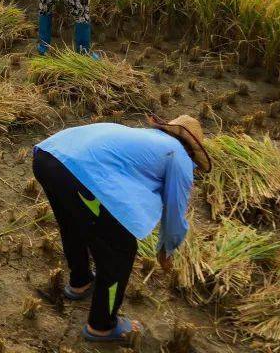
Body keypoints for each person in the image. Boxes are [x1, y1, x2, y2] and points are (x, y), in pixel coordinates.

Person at [32, 115, 212, 343]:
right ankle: (102, 325)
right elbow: (175, 210)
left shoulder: (145, 138)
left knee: (73, 223)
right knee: (120, 250)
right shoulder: (179, 155)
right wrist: (167, 248)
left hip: (47, 156)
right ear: (192, 150)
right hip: (75, 171)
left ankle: (80, 281)